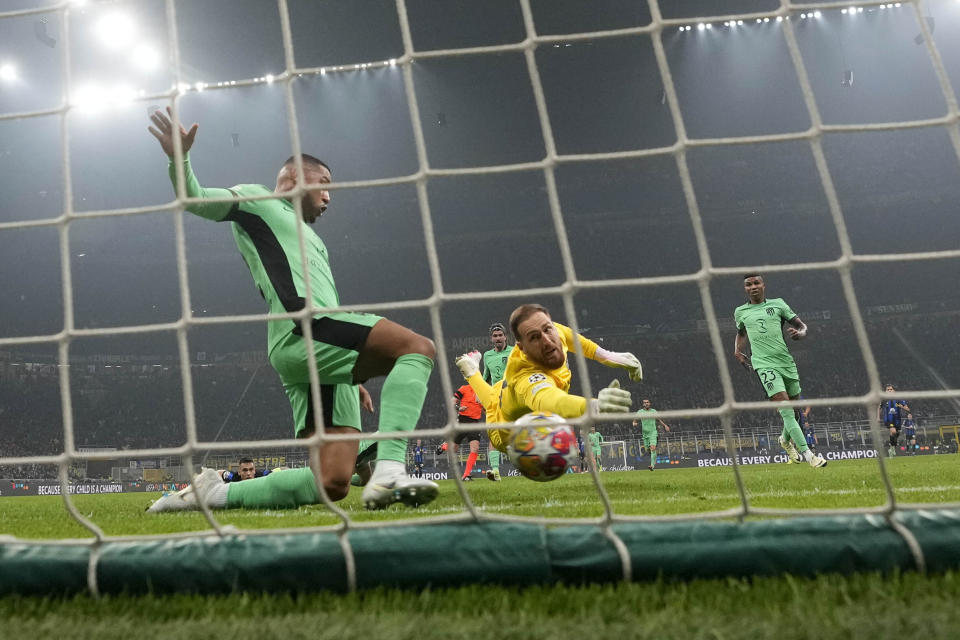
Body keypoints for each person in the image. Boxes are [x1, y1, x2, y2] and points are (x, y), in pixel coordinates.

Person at [145, 107, 439, 513]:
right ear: (296, 178)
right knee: (418, 348)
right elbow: (193, 197)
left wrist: (348, 370)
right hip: (305, 329)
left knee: (333, 482)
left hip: (321, 345)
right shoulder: (259, 201)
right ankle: (389, 468)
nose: (329, 196)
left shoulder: (316, 241)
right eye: (324, 184)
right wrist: (180, 159)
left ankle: (213, 494)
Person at [455, 303, 640, 462]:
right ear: (523, 348)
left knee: (495, 397)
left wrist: (614, 357)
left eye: (547, 329)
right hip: (505, 434)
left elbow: (582, 344)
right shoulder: (526, 377)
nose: (547, 341)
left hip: (502, 395)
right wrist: (593, 406)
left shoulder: (555, 330)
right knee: (495, 406)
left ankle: (471, 371)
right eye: (534, 338)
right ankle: (472, 373)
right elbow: (552, 401)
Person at [733, 274, 827, 469]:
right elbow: (741, 333)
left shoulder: (778, 304)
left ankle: (784, 441)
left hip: (786, 363)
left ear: (763, 285)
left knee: (795, 410)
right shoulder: (740, 311)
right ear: (745, 289)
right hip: (764, 365)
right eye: (748, 284)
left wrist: (800, 334)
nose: (753, 287)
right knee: (786, 410)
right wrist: (737, 351)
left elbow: (802, 326)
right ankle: (810, 456)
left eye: (756, 283)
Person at [482, 322, 513, 482]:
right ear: (491, 339)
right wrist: (480, 396)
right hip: (495, 399)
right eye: (495, 336)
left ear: (505, 337)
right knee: (494, 436)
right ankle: (495, 471)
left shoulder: (515, 351)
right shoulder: (487, 356)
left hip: (512, 397)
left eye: (500, 335)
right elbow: (485, 377)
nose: (498, 338)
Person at [436, 383, 484, 480]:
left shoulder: (482, 392)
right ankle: (445, 446)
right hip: (462, 421)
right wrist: (459, 408)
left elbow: (485, 409)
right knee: (454, 449)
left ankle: (466, 475)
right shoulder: (464, 389)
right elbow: (452, 402)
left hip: (475, 423)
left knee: (475, 448)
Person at [632, 398, 671, 471]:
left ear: (649, 403)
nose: (646, 403)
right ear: (643, 404)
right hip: (645, 434)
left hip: (653, 433)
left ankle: (652, 466)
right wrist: (634, 423)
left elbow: (658, 419)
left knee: (653, 448)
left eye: (647, 402)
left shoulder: (654, 411)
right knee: (648, 449)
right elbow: (634, 420)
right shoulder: (640, 412)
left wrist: (665, 425)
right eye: (645, 402)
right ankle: (652, 457)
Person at [878, 384, 910, 457]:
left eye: (891, 389)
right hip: (888, 419)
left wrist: (901, 406)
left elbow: (908, 409)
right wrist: (878, 417)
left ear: (894, 391)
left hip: (897, 420)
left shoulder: (899, 399)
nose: (889, 391)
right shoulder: (884, 399)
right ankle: (892, 447)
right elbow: (879, 408)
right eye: (888, 390)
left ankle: (892, 448)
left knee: (895, 434)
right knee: (893, 431)